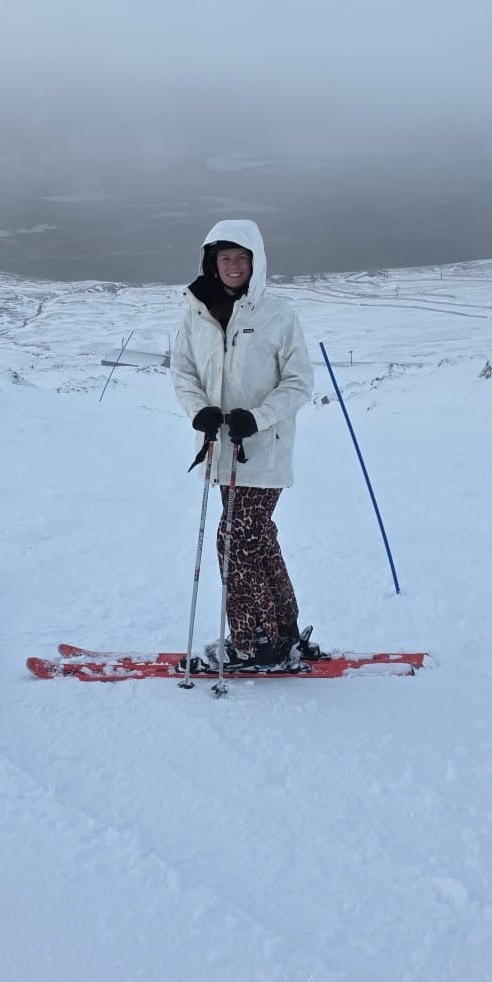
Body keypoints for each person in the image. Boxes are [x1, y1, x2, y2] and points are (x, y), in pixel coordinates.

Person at [171, 218, 318, 666]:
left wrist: (257, 417)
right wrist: (199, 409)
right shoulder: (198, 310)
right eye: (224, 258)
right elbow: (183, 370)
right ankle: (283, 631)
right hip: (222, 451)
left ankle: (253, 642)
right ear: (211, 264)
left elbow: (299, 382)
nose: (233, 266)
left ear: (256, 262)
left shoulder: (278, 313)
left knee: (235, 539)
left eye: (241, 258)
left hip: (262, 448)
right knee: (257, 537)